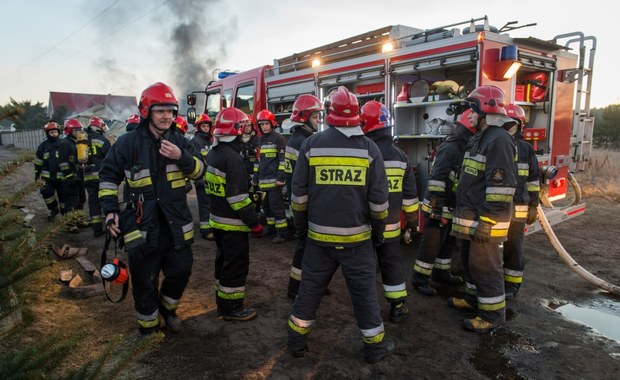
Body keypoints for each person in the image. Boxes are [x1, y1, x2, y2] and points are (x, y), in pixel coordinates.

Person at [287, 86, 394, 364]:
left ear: (329, 113)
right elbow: (379, 203)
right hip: (357, 242)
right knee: (364, 296)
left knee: (309, 291)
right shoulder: (370, 149)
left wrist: (301, 230)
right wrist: (378, 234)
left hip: (318, 241)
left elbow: (298, 197)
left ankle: (296, 342)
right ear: (357, 115)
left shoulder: (311, 145)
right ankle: (375, 349)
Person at [99, 82, 205, 336]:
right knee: (144, 280)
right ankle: (148, 330)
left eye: (170, 111)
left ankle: (167, 310)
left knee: (181, 272)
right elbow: (107, 177)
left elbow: (202, 173)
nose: (166, 116)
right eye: (160, 111)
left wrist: (182, 157)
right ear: (147, 111)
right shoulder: (128, 144)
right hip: (141, 227)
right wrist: (110, 210)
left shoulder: (182, 142)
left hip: (176, 225)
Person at [448, 85, 518, 333]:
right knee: (470, 264)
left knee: (486, 268)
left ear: (484, 110)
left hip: (485, 220)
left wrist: (487, 221)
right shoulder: (481, 138)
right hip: (472, 218)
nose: (470, 114)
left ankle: (491, 315)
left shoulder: (498, 141)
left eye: (472, 109)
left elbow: (501, 186)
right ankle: (472, 301)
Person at [360, 100, 419, 322]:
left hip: (365, 224)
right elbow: (411, 195)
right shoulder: (401, 156)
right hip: (391, 226)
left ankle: (368, 309)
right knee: (391, 264)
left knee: (365, 268)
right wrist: (412, 221)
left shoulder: (363, 152)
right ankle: (398, 306)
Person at [205, 107, 263, 321]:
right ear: (236, 130)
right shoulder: (233, 159)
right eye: (244, 128)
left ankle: (222, 303)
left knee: (222, 262)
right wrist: (254, 223)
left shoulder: (214, 153)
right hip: (233, 224)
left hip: (217, 220)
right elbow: (237, 198)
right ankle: (232, 309)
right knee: (236, 266)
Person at [411, 108, 476, 296]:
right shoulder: (452, 147)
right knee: (432, 243)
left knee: (448, 241)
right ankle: (420, 279)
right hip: (438, 204)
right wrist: (438, 206)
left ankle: (441, 273)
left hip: (451, 202)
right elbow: (437, 177)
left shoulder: (465, 145)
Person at [284, 94, 323, 299]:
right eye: (315, 117)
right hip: (305, 201)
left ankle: (307, 284)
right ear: (305, 117)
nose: (318, 121)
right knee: (305, 246)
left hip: (298, 199)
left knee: (309, 246)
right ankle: (295, 288)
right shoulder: (305, 142)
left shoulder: (296, 139)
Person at [503, 104, 540, 299]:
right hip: (497, 207)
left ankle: (512, 285)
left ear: (519, 125)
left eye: (512, 123)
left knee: (514, 247)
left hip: (517, 206)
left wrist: (534, 205)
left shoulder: (526, 149)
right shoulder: (496, 144)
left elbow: (533, 180)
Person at [253, 109, 288, 244]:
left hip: (274, 182)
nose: (264, 127)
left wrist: (280, 178)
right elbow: (258, 161)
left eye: (266, 124)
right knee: (266, 207)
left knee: (277, 207)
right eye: (262, 124)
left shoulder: (279, 139)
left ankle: (282, 233)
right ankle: (271, 228)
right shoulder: (260, 140)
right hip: (262, 182)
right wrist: (255, 178)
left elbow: (282, 161)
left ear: (272, 124)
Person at [83, 116, 111, 237]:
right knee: (106, 199)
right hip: (101, 176)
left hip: (88, 176)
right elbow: (110, 159)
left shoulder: (82, 141)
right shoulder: (102, 140)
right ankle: (111, 225)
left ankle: (97, 229)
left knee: (93, 201)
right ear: (99, 127)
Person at [59, 118, 88, 233]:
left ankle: (79, 220)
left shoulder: (78, 142)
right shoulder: (65, 143)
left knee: (81, 199)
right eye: (76, 130)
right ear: (69, 131)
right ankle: (71, 224)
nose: (79, 133)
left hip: (79, 175)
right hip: (69, 178)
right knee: (71, 201)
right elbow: (63, 162)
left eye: (80, 130)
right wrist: (70, 176)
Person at [190, 113, 214, 240]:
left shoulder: (212, 140)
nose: (206, 128)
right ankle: (206, 230)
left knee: (213, 204)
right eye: (203, 126)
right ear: (199, 127)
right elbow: (196, 160)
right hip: (202, 180)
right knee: (205, 205)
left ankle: (212, 226)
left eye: (207, 126)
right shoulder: (195, 142)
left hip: (213, 178)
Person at [34, 121, 65, 221]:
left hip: (62, 177)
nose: (54, 134)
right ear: (47, 133)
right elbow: (38, 161)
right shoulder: (42, 146)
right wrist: (36, 174)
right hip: (48, 177)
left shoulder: (64, 144)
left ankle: (65, 216)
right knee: (46, 193)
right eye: (52, 132)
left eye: (55, 132)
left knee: (64, 196)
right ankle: (53, 209)